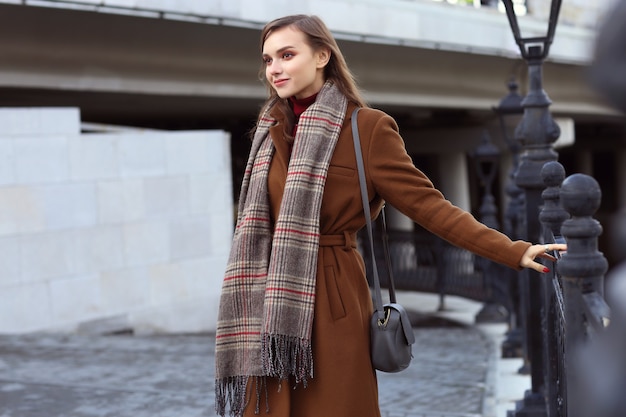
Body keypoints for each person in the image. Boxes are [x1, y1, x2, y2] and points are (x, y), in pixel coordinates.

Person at [214, 14, 566, 417]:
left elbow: (431, 207)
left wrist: (512, 250)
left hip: (334, 302)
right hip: (267, 306)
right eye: (268, 59)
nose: (274, 68)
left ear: (322, 56)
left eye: (287, 55)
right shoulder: (269, 128)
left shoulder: (367, 130)